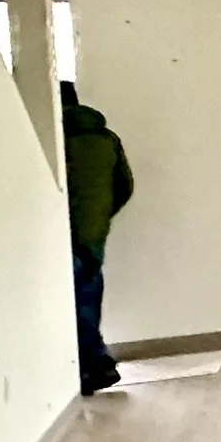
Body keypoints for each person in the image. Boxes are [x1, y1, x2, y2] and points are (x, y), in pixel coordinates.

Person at [61, 81, 134, 394]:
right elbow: (125, 186)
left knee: (70, 306)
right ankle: (97, 365)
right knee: (86, 302)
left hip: (63, 235)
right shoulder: (106, 138)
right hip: (92, 237)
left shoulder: (50, 137)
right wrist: (100, 216)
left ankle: (95, 365)